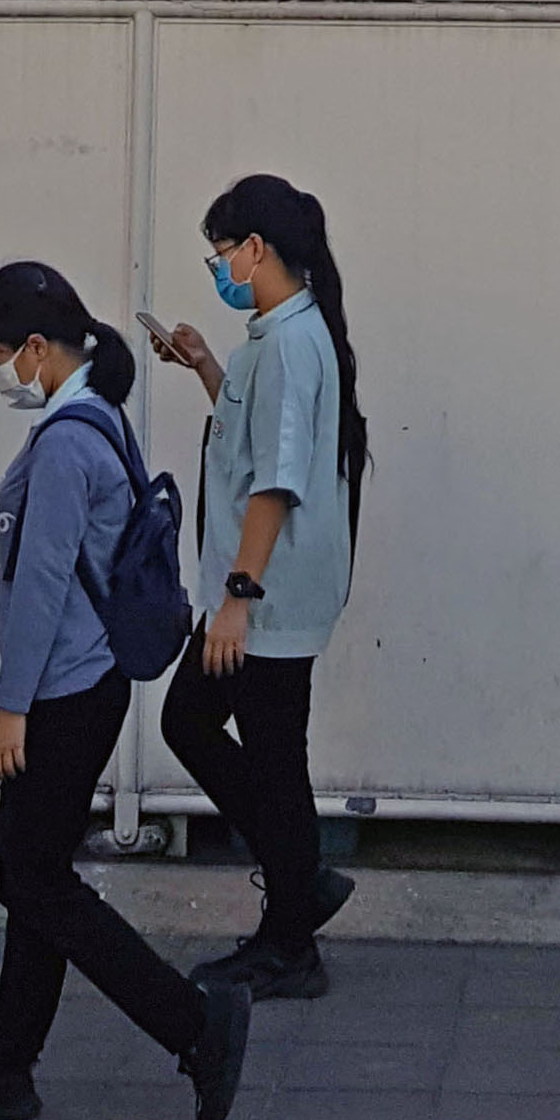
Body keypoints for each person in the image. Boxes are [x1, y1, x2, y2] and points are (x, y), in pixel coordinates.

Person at [0, 264, 250, 1120]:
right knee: (34, 878)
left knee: (38, 884)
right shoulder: (102, 420)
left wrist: (10, 703)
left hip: (59, 693)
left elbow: (42, 582)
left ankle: (194, 1025)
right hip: (91, 685)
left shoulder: (63, 444)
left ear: (34, 348)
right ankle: (4, 1068)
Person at [147, 174, 368, 1004]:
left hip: (267, 595)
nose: (218, 268)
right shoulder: (276, 334)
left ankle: (292, 923)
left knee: (230, 741)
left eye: (220, 252)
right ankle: (296, 892)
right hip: (267, 590)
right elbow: (248, 436)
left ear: (256, 249)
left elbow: (274, 484)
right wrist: (205, 365)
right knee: (253, 751)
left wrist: (237, 596)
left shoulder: (290, 344)